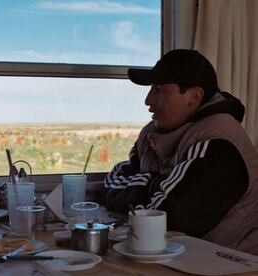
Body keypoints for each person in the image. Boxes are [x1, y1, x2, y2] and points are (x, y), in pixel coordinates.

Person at [102, 49, 258, 255]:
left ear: (194, 97)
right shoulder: (153, 133)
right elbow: (112, 181)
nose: (148, 101)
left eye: (159, 90)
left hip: (226, 262)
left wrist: (145, 182)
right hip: (175, 254)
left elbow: (170, 217)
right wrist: (153, 184)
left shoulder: (219, 141)